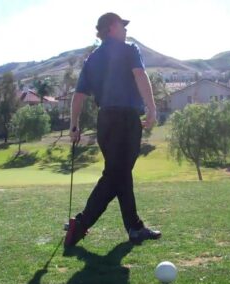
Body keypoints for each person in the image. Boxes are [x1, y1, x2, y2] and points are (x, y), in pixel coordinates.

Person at [64, 12, 161, 247]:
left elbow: (78, 95)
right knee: (116, 175)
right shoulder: (130, 50)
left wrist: (73, 125)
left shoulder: (92, 59)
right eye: (122, 25)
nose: (126, 29)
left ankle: (134, 227)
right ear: (111, 28)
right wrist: (152, 107)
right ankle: (81, 223)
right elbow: (140, 75)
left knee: (120, 173)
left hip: (105, 121)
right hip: (126, 120)